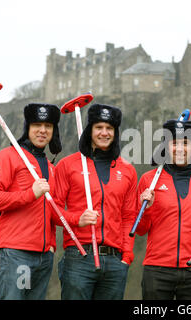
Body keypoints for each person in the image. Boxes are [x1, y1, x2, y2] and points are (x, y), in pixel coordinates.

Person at [53, 103, 137, 300]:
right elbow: (52, 208)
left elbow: (129, 216)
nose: (104, 133)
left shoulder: (127, 170)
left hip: (115, 260)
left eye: (109, 128)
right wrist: (76, 219)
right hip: (79, 256)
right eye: (99, 127)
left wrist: (126, 256)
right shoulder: (68, 165)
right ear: (90, 130)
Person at [0, 103, 62, 300]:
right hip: (15, 254)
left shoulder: (51, 167)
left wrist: (51, 244)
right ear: (28, 128)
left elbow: (50, 210)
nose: (43, 130)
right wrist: (29, 194)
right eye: (37, 125)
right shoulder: (7, 157)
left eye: (48, 126)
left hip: (43, 257)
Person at [137, 118, 191, 300]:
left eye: (186, 143)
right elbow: (140, 229)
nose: (180, 149)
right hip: (156, 271)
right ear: (166, 147)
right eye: (174, 143)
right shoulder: (149, 180)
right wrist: (147, 208)